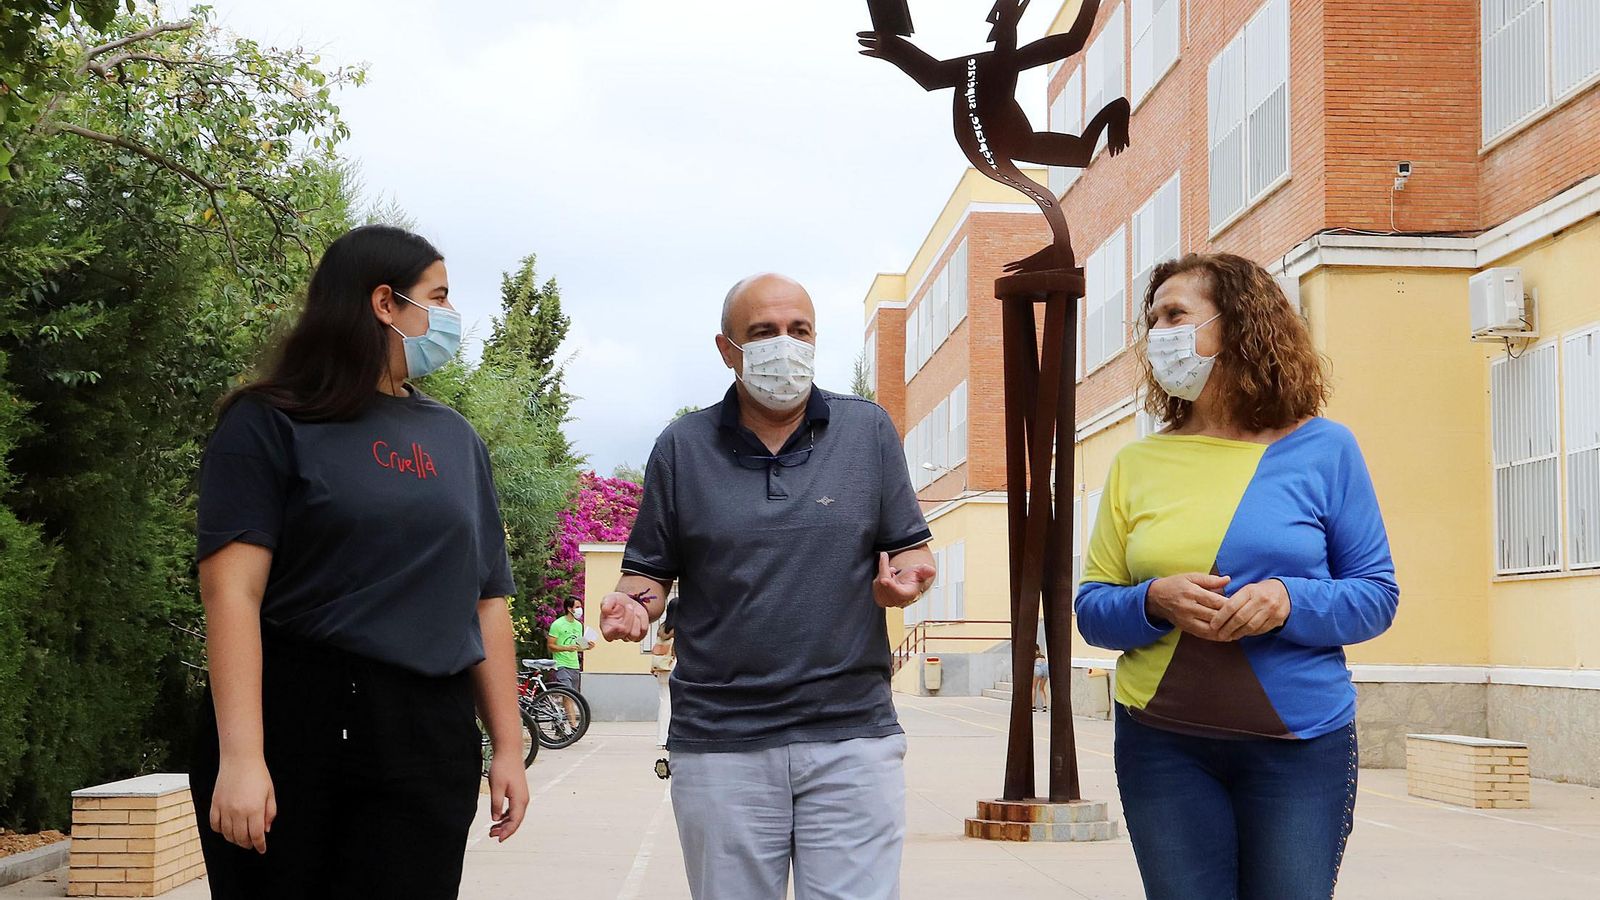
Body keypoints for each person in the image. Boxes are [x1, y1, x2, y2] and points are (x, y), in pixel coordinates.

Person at [189, 225, 529, 899]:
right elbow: (232, 594)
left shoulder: (456, 440)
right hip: (297, 719)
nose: (449, 315)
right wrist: (242, 757)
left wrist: (510, 750)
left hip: (427, 731)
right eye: (438, 296)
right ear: (384, 303)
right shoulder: (268, 423)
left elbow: (487, 601)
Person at [599, 273, 937, 900]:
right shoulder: (681, 447)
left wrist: (910, 579)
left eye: (799, 331)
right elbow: (648, 574)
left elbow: (911, 548)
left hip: (851, 735)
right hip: (721, 743)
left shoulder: (868, 432)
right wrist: (632, 606)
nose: (786, 346)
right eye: (764, 333)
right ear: (728, 349)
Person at [1075, 253, 1399, 900]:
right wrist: (1154, 600)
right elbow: (1091, 609)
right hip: (1162, 743)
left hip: (1300, 745)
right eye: (1152, 319)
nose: (1157, 332)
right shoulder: (1138, 462)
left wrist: (1287, 599)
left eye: (1176, 314)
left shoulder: (1325, 449)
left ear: (1240, 326)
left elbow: (1376, 595)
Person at [547, 598, 587, 728]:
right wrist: (566, 648)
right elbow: (551, 645)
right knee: (567, 694)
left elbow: (579, 646)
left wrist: (588, 646)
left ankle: (560, 722)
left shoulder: (578, 625)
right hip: (561, 664)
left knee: (572, 696)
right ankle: (573, 725)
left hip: (574, 664)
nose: (580, 609)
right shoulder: (558, 624)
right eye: (577, 606)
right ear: (570, 609)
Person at [650, 599, 678, 749]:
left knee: (664, 701)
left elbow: (657, 648)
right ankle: (671, 736)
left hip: (662, 668)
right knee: (675, 703)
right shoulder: (681, 627)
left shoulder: (662, 628)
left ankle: (661, 738)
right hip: (675, 665)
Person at [1031, 647, 1049, 714]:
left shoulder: (1033, 657)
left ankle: (1033, 706)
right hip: (1045, 669)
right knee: (1041, 688)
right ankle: (1044, 706)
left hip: (1038, 668)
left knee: (1033, 687)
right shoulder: (1043, 656)